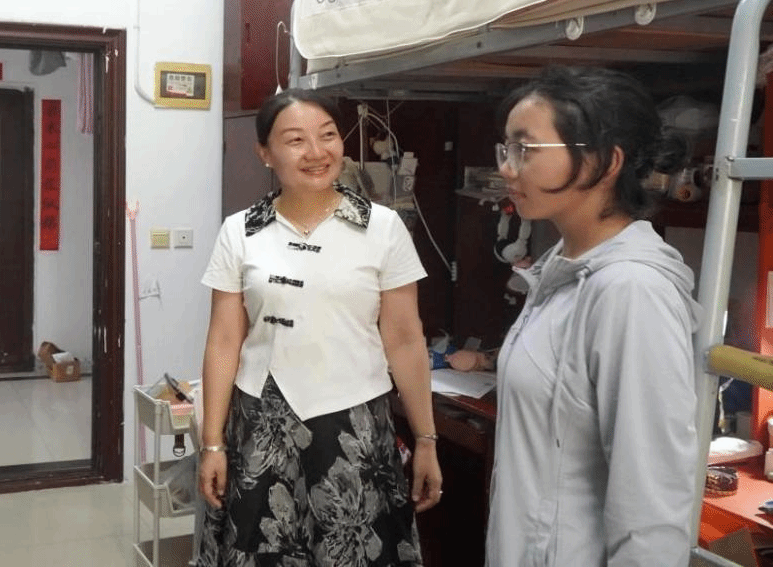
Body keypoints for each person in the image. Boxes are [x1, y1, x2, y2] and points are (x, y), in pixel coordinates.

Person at [196, 89, 441, 566]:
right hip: (261, 424)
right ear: (265, 153)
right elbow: (223, 341)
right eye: (295, 140)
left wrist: (426, 439)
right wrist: (212, 443)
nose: (316, 152)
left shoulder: (383, 228)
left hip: (354, 425)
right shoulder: (240, 231)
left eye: (327, 136)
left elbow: (405, 340)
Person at [486, 66, 701, 566]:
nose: (508, 169)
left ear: (605, 162)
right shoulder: (564, 267)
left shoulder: (631, 291)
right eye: (506, 150)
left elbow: (651, 509)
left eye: (526, 149)